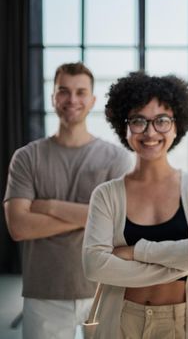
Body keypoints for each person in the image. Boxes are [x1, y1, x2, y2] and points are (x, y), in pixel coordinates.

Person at [3, 62, 131, 339]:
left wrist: (48, 206)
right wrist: (92, 217)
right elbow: (19, 226)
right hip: (44, 292)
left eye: (81, 92)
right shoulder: (26, 157)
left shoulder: (116, 158)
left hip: (103, 289)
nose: (72, 100)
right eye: (64, 91)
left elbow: (118, 225)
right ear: (53, 97)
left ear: (92, 100)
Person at [82, 72, 188, 338]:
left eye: (162, 120)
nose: (150, 132)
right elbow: (94, 265)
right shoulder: (106, 195)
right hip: (122, 319)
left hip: (182, 322)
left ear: (176, 125)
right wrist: (181, 263)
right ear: (124, 126)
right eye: (139, 121)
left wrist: (135, 251)